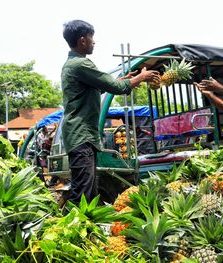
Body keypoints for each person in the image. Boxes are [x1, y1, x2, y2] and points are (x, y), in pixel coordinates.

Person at [61, 19, 160, 206]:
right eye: (92, 38)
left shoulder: (73, 65)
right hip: (80, 135)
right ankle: (66, 229)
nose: (94, 41)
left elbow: (100, 87)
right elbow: (116, 87)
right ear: (82, 40)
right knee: (82, 191)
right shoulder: (80, 64)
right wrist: (141, 77)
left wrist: (123, 80)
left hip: (81, 135)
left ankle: (85, 229)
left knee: (89, 189)